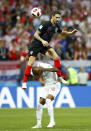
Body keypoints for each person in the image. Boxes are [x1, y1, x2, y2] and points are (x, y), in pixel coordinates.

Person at [22, 10, 78, 89]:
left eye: (59, 17)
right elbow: (35, 34)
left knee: (56, 57)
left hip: (45, 45)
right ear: (52, 16)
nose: (58, 19)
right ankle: (24, 83)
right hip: (36, 44)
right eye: (56, 17)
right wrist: (42, 41)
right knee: (31, 62)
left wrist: (71, 33)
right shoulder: (45, 24)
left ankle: (59, 77)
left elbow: (61, 32)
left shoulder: (56, 25)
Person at [31, 62, 62, 128]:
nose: (39, 76)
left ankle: (52, 121)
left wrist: (44, 69)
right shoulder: (35, 70)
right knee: (40, 104)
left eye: (38, 74)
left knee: (48, 100)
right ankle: (38, 124)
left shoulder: (45, 66)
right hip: (47, 86)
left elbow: (56, 69)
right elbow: (33, 75)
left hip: (55, 85)